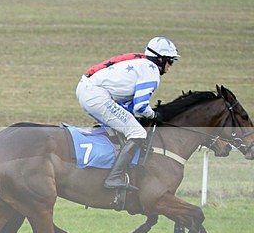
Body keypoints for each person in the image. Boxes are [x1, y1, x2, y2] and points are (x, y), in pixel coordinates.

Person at [76, 36, 180, 191]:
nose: (170, 66)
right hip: (96, 95)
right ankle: (114, 177)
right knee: (138, 132)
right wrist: (155, 115)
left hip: (88, 89)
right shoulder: (151, 70)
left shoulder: (140, 60)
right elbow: (141, 107)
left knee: (126, 127)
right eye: (170, 61)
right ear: (160, 59)